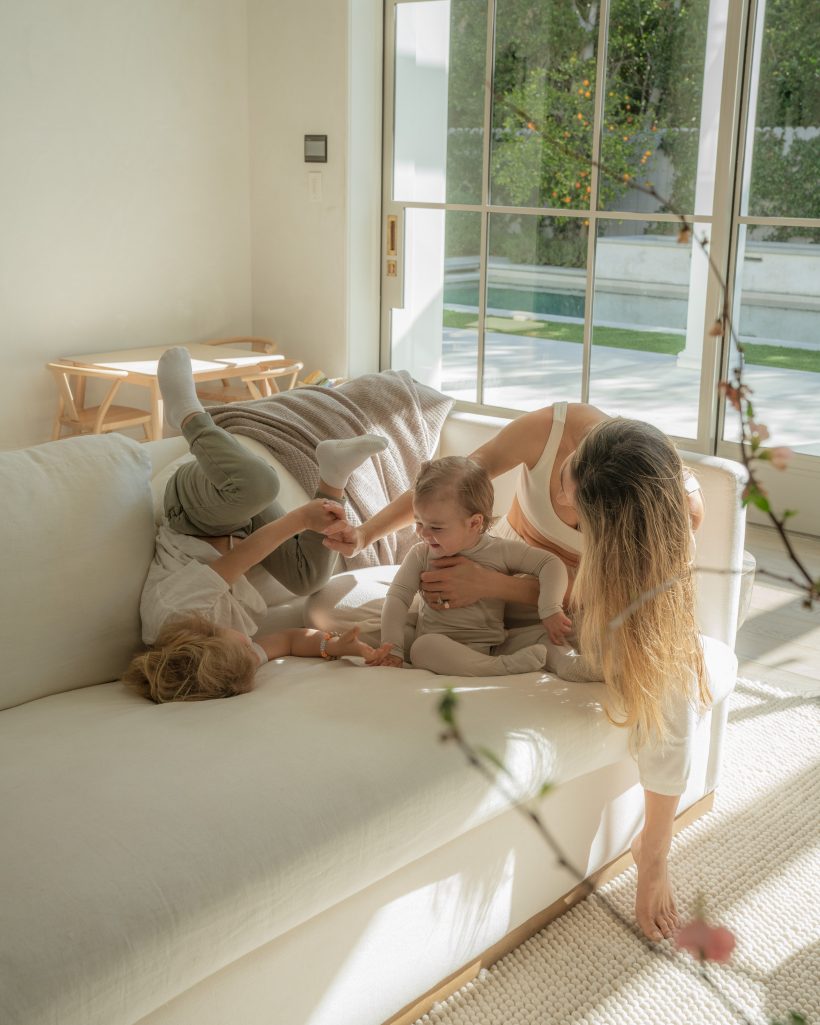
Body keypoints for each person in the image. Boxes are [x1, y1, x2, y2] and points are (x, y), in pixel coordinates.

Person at [322, 401, 712, 943]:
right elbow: (448, 486)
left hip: (566, 612)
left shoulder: (672, 515)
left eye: (575, 507)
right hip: (485, 591)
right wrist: (365, 537)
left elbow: (628, 610)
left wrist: (492, 587)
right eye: (566, 479)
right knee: (328, 610)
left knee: (670, 682)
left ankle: (654, 850)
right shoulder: (551, 429)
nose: (558, 498)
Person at [128, 346, 390, 702]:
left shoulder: (173, 615)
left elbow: (241, 561)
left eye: (242, 646)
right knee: (309, 578)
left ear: (203, 638)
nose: (248, 643)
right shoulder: (227, 661)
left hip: (194, 515)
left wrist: (301, 518)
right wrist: (335, 646)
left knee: (260, 485)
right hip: (241, 530)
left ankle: (188, 415)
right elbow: (287, 640)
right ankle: (332, 475)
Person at [366, 456, 572, 676]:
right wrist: (393, 647)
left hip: (493, 645)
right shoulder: (420, 555)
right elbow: (398, 597)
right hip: (441, 644)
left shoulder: (500, 550)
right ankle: (499, 667)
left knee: (547, 636)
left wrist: (550, 608)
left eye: (435, 527)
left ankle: (573, 665)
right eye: (418, 522)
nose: (423, 534)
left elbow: (550, 563)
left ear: (474, 523)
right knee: (420, 647)